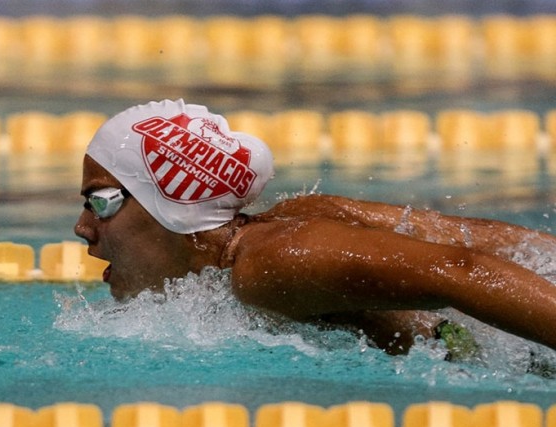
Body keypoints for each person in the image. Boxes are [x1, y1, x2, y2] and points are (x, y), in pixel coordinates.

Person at [74, 99, 556, 355]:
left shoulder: (274, 263)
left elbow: (462, 268)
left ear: (170, 202)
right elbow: (479, 239)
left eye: (100, 202)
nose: (82, 227)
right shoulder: (298, 218)